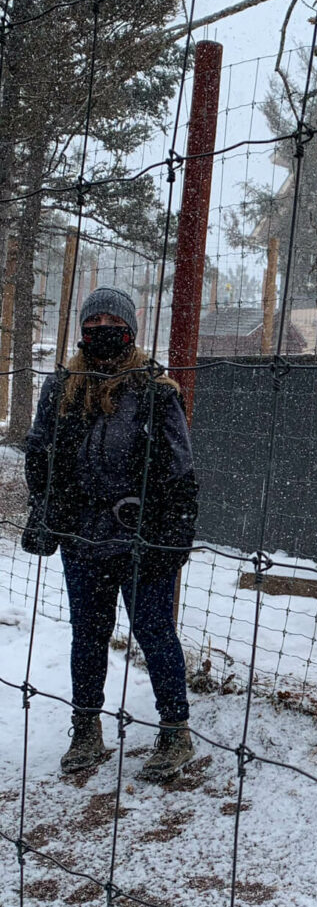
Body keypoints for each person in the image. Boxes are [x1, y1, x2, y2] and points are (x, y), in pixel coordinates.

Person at [22, 286, 199, 781]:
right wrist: (48, 506)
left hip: (142, 539)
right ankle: (86, 729)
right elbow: (39, 451)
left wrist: (173, 537)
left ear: (130, 329)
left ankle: (175, 730)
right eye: (92, 321)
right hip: (82, 539)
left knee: (154, 631)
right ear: (81, 331)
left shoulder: (155, 389)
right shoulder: (61, 388)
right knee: (88, 635)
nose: (101, 328)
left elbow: (180, 472)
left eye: (110, 320)